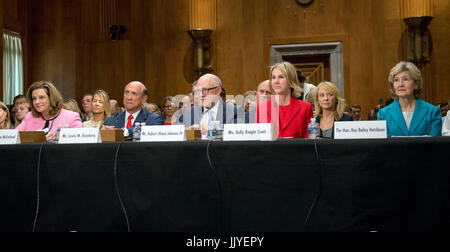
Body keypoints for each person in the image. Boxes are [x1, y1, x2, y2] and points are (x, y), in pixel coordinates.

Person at [378, 62, 442, 137]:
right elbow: (383, 146)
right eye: (396, 80)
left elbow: (435, 145)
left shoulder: (432, 112)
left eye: (405, 79)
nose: (400, 84)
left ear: (416, 84)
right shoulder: (384, 114)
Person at [256, 62, 313, 138]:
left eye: (281, 77)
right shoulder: (261, 108)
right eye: (273, 77)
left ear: (290, 81)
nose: (276, 81)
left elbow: (309, 141)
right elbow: (257, 140)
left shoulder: (305, 107)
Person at [16, 81, 82, 140]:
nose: (37, 102)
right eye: (34, 98)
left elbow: (80, 140)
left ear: (51, 98)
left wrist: (62, 137)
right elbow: (13, 137)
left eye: (41, 97)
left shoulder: (71, 116)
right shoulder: (29, 116)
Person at [177, 74, 242, 129]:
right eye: (198, 91)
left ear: (218, 91)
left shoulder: (235, 112)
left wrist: (210, 131)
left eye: (205, 90)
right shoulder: (188, 114)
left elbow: (238, 136)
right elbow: (176, 136)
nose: (201, 95)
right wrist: (188, 132)